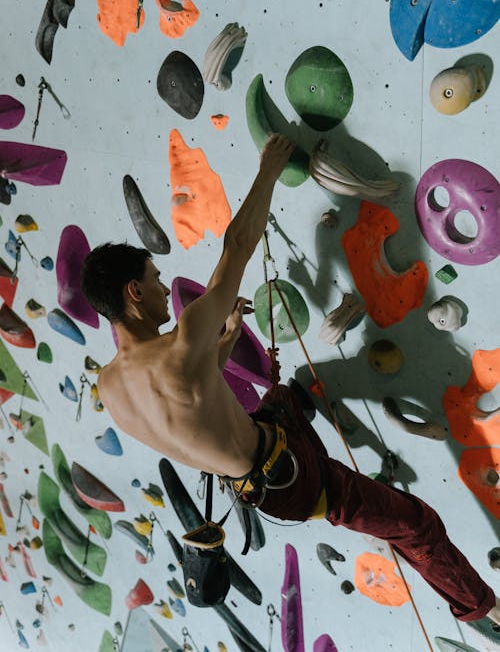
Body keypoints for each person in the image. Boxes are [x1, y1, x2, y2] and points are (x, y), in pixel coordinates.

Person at [81, 133, 499, 627]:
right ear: (133, 292)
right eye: (153, 281)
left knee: (284, 395)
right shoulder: (181, 339)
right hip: (293, 479)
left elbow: (188, 396)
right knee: (417, 524)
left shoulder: (109, 387)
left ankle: (318, 439)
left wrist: (226, 337)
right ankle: (480, 609)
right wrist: (268, 171)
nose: (160, 288)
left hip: (258, 465)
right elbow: (237, 247)